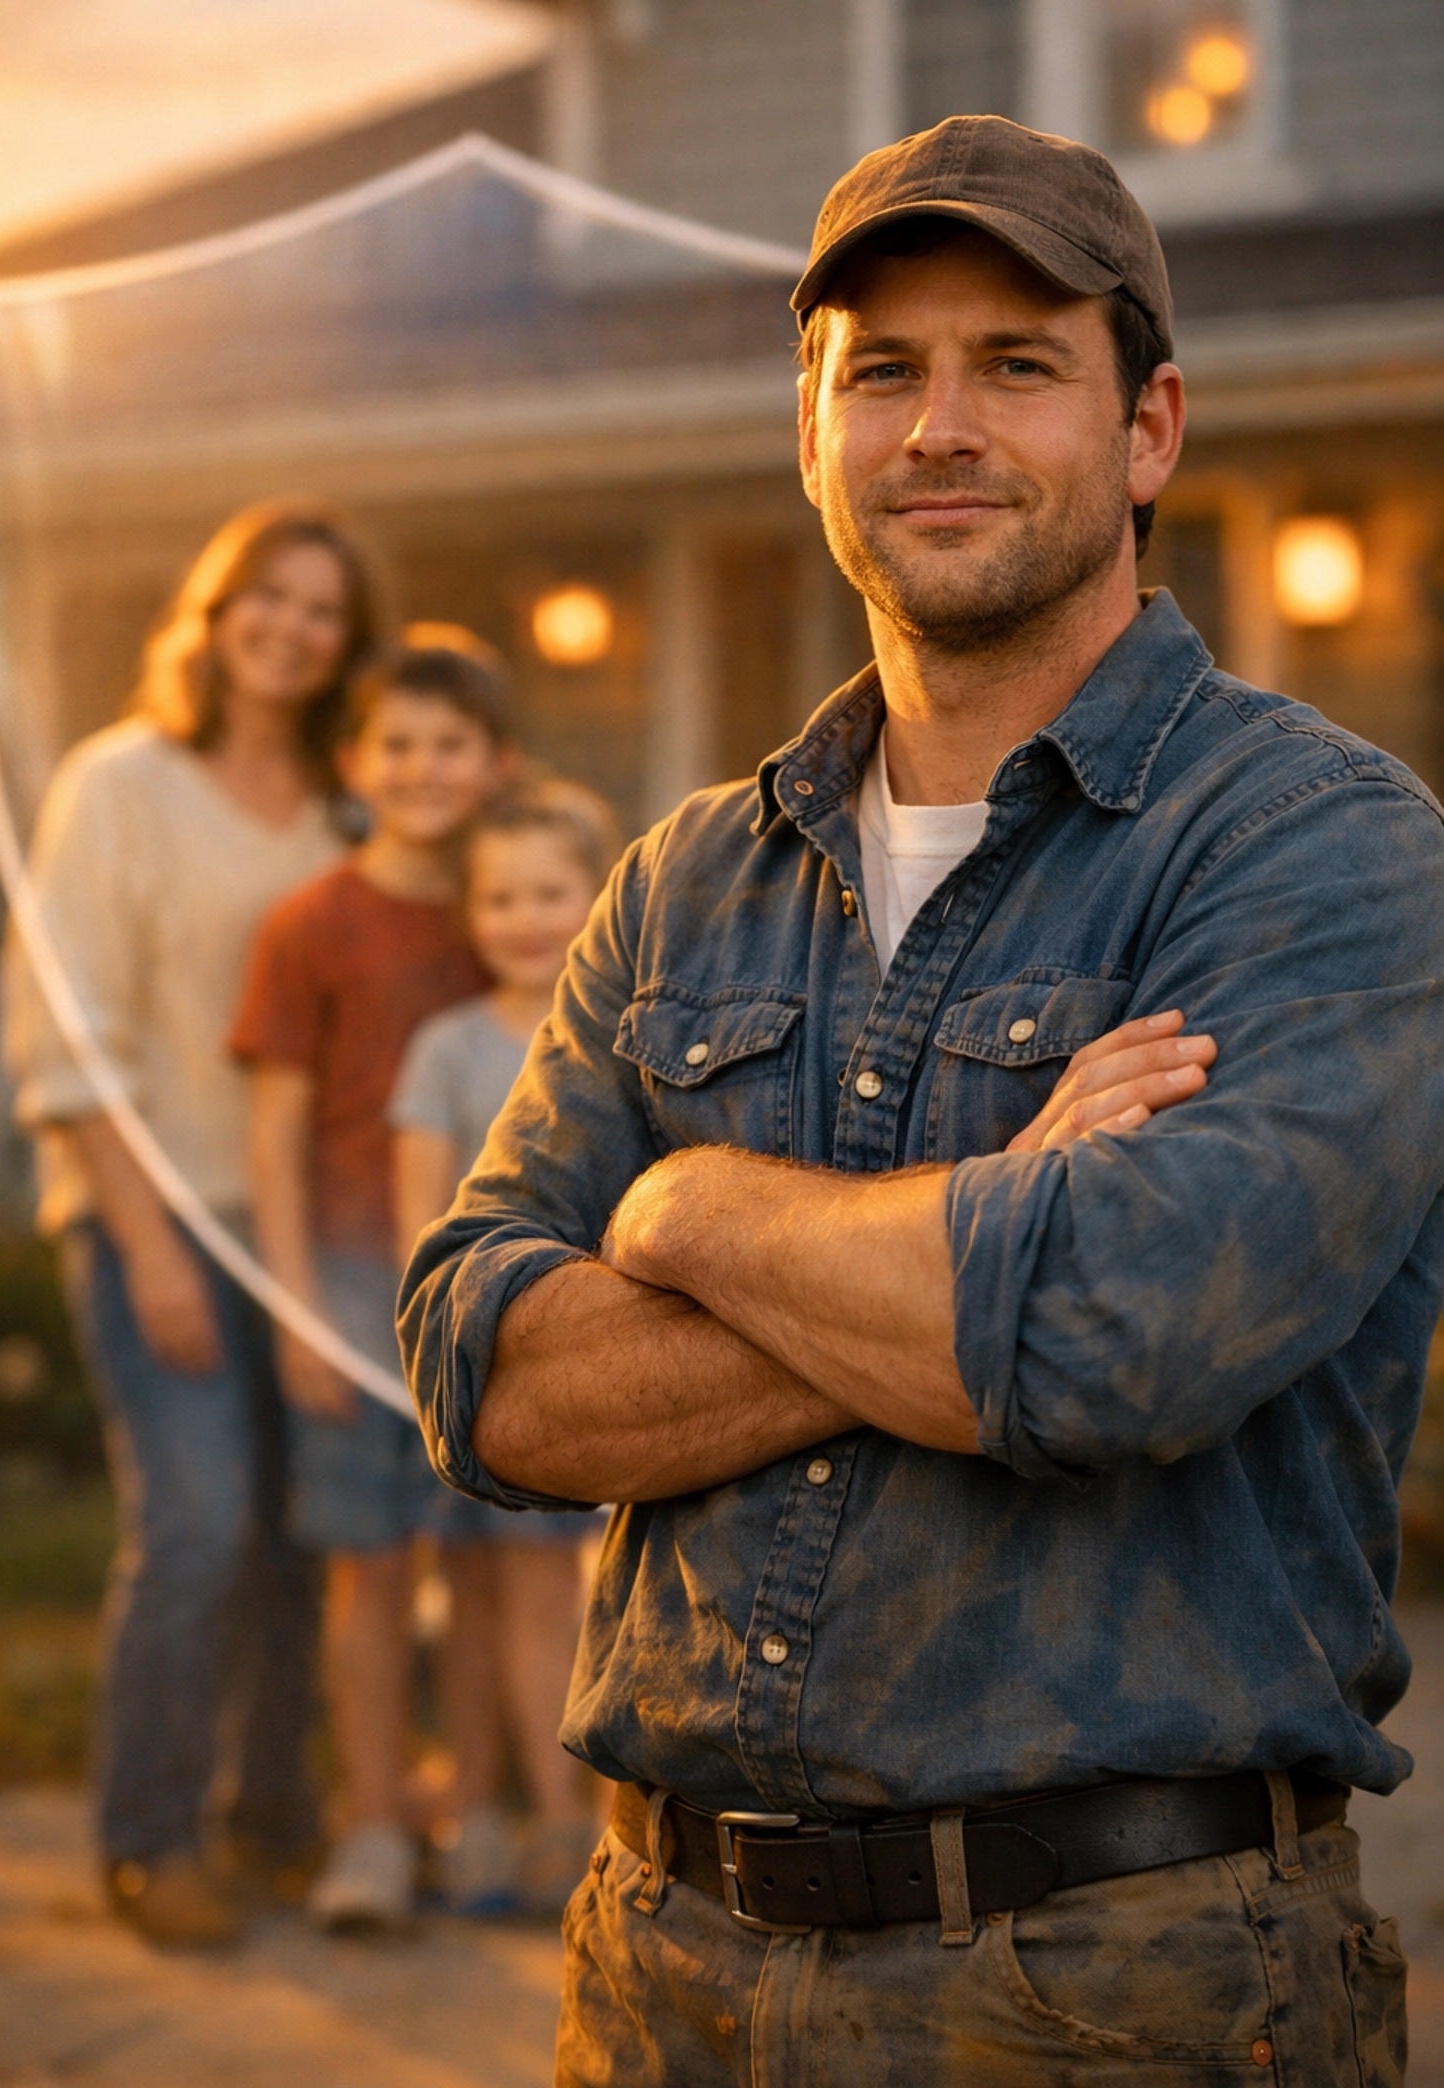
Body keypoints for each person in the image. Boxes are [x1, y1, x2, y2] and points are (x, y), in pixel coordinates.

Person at [404, 117, 1437, 2084]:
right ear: (814, 434)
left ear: (1148, 433)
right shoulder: (681, 880)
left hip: (1115, 1993)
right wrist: (995, 1210)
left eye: (1017, 364)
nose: (938, 425)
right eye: (882, 369)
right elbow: (493, 1378)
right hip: (661, 1976)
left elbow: (1117, 1334)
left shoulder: (1320, 851)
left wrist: (693, 1220)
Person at [5, 498, 380, 1950]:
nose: (289, 629)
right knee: (201, 1528)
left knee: (303, 1537)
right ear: (214, 616)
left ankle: (273, 1821)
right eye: (264, 599)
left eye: (321, 609)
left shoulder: (354, 806)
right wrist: (148, 1245)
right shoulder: (121, 784)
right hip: (151, 1212)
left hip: (312, 1234)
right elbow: (65, 1037)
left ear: (349, 642)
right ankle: (149, 1840)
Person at [230, 631, 511, 1930]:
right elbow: (276, 1132)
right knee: (373, 1568)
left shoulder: (514, 910)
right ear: (356, 763)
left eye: (449, 744)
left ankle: (480, 1812)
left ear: (494, 763)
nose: (422, 768)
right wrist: (291, 1303)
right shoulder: (314, 923)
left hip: (498, 1281)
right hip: (347, 1278)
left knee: (494, 1564)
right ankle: (376, 1825)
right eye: (396, 744)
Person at [390, 788, 614, 1918]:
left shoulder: (616, 1037)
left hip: (567, 1371)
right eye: (500, 897)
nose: (527, 918)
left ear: (598, 895)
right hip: (458, 1370)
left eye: (550, 893)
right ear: (469, 912)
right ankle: (474, 1812)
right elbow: (419, 1224)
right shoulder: (444, 1047)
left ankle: (567, 1825)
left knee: (542, 1595)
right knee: (465, 1595)